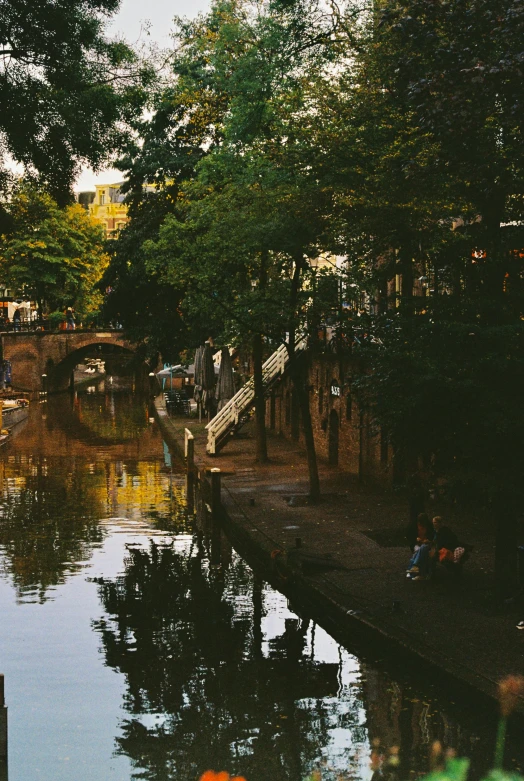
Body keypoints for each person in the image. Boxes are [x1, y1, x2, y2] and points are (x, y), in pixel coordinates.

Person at [406, 513, 435, 580]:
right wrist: (415, 538)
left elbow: (432, 537)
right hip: (417, 543)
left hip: (426, 544)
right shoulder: (414, 526)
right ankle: (419, 571)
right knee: (418, 550)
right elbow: (409, 536)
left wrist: (427, 540)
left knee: (421, 549)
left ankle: (413, 567)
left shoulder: (429, 526)